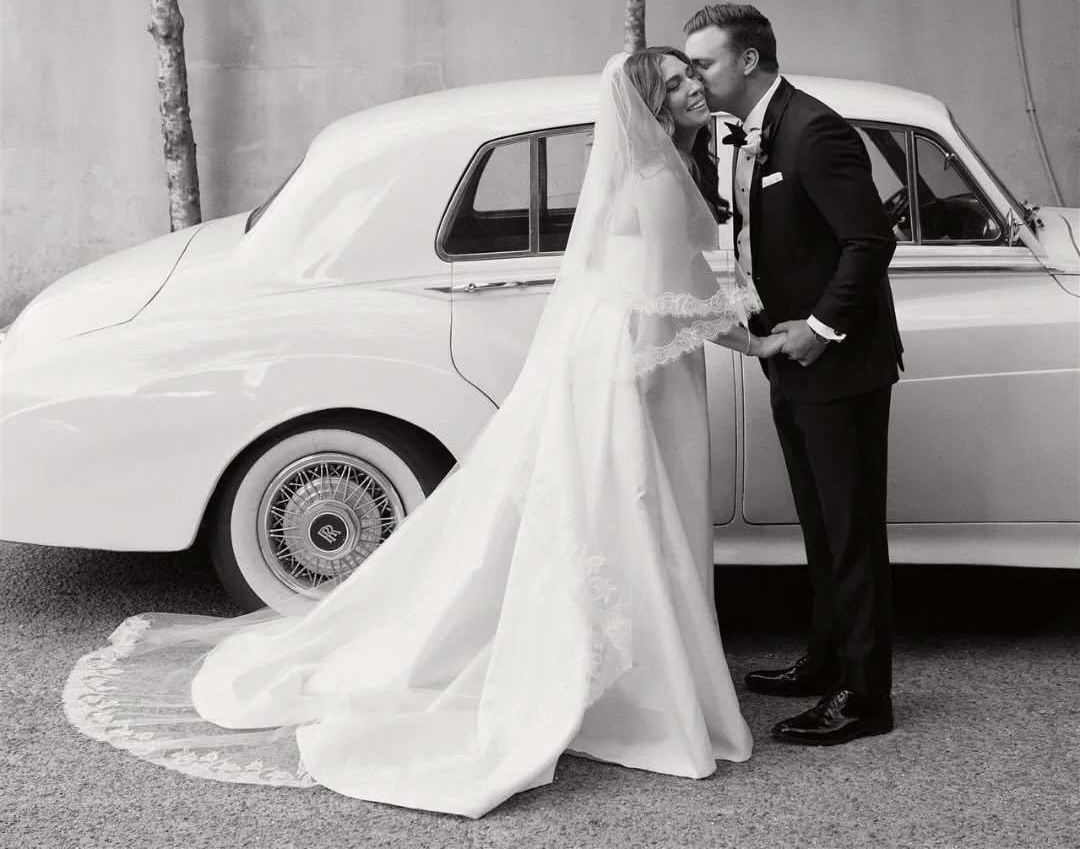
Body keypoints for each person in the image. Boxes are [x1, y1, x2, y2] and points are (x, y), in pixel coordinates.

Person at [63, 48, 784, 819]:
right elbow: (674, 297)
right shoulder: (658, 177)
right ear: (649, 105)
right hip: (637, 364)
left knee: (605, 517)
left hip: (609, 352)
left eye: (689, 76)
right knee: (636, 511)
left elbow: (652, 283)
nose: (690, 88)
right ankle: (643, 694)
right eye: (672, 83)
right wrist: (754, 342)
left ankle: (625, 669)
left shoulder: (647, 169)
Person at [684, 3, 903, 747]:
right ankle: (826, 660)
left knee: (851, 531)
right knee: (819, 523)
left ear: (747, 61)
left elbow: (869, 241)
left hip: (839, 363)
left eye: (704, 62)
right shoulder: (748, 132)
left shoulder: (814, 130)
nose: (695, 77)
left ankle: (867, 697)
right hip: (788, 358)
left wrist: (819, 328)